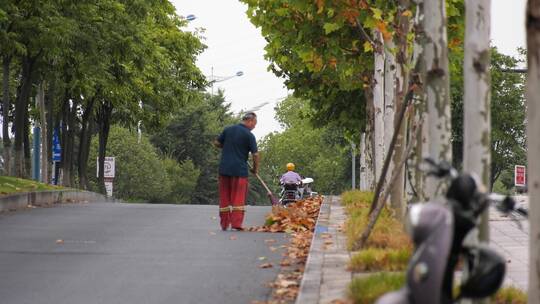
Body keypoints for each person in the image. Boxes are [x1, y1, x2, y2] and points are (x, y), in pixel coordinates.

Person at [213, 112, 259, 231]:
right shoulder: (249, 135)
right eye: (254, 124)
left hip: (224, 169)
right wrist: (255, 169)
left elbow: (217, 143)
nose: (254, 127)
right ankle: (236, 224)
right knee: (238, 197)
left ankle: (224, 224)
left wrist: (226, 146)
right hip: (239, 170)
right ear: (249, 121)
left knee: (224, 197)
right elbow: (255, 154)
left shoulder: (228, 130)